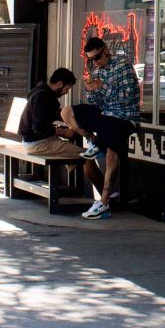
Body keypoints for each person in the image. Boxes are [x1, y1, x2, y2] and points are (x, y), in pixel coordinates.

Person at [60, 36, 137, 220]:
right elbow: (98, 102)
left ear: (106, 51)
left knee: (112, 151)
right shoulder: (97, 71)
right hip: (105, 114)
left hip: (124, 116)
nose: (95, 62)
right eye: (91, 59)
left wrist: (104, 86)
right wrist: (92, 90)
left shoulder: (123, 65)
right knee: (66, 112)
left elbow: (128, 96)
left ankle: (103, 202)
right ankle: (94, 141)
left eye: (97, 57)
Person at [21, 69, 81, 159]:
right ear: (60, 84)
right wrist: (62, 132)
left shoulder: (42, 93)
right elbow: (39, 127)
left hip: (36, 141)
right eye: (67, 89)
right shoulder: (42, 97)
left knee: (71, 153)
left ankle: (75, 171)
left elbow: (52, 116)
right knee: (85, 154)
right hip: (37, 144)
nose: (66, 92)